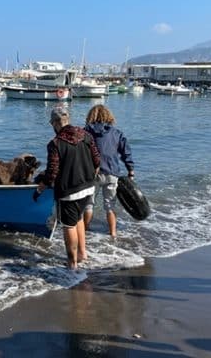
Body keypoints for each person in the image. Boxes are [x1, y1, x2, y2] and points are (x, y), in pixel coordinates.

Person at [33, 108, 100, 269]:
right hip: (89, 187)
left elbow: (52, 173)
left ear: (56, 123)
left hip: (68, 192)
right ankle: (82, 253)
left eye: (52, 124)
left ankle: (72, 263)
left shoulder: (55, 144)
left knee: (68, 225)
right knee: (78, 219)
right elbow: (97, 161)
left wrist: (40, 189)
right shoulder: (86, 135)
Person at [82, 104, 135, 239]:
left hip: (92, 174)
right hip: (112, 173)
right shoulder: (117, 133)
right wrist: (131, 171)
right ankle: (113, 233)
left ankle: (84, 231)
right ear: (109, 116)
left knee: (89, 204)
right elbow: (126, 153)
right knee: (110, 205)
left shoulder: (85, 132)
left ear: (91, 116)